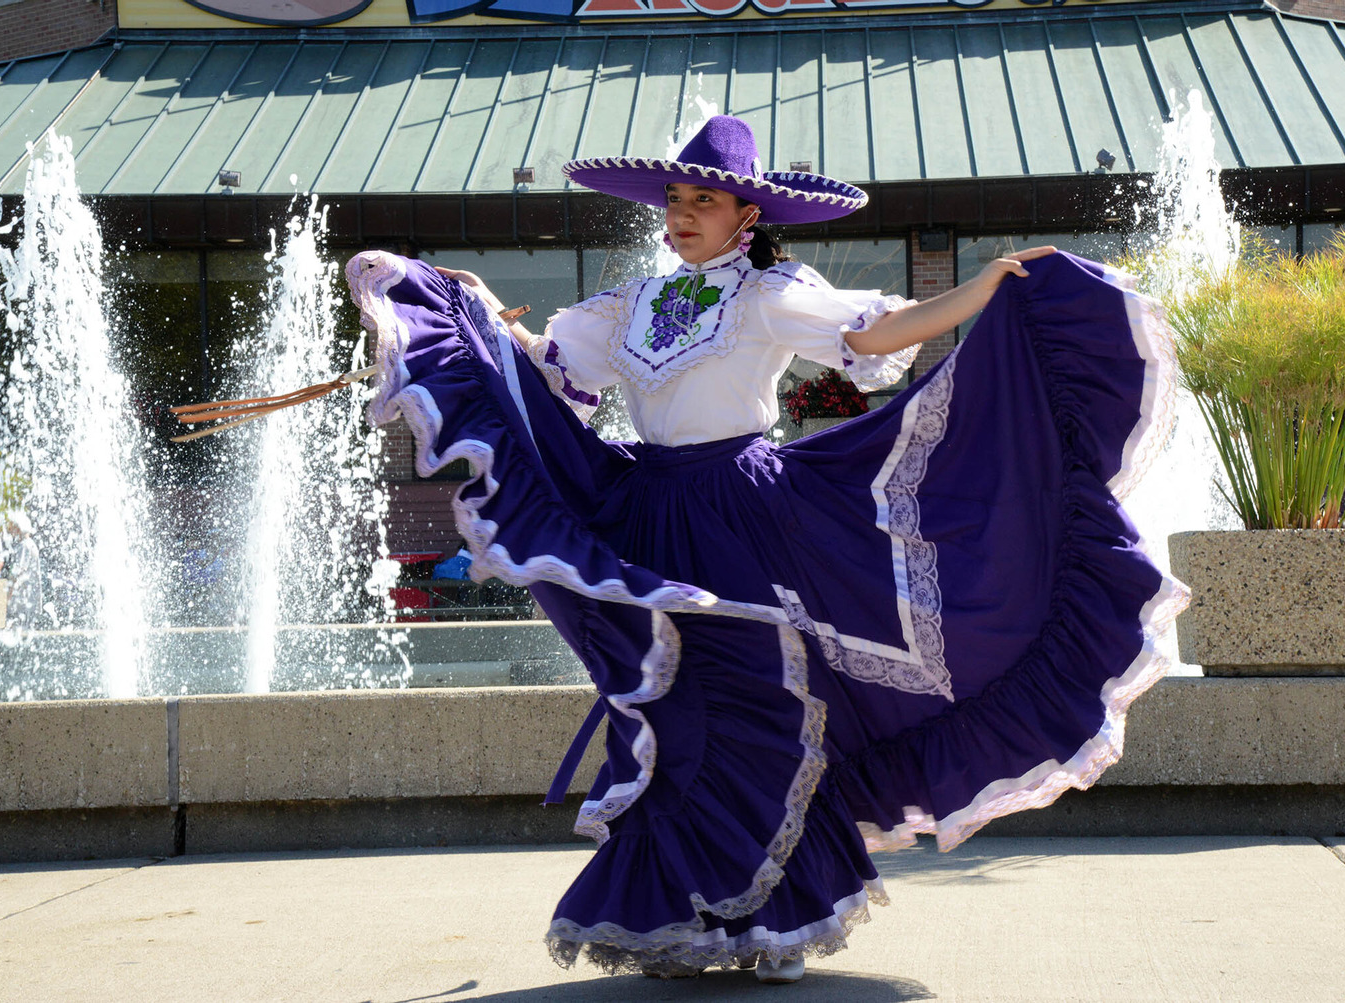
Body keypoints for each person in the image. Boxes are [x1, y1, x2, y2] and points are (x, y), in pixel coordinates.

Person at [345, 115, 1186, 983]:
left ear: (745, 214)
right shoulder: (631, 303)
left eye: (702, 199)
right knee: (674, 712)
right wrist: (471, 314)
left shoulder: (768, 291)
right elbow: (552, 367)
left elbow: (873, 334)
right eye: (674, 198)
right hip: (649, 508)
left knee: (757, 700)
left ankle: (769, 911)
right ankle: (686, 910)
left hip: (744, 517)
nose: (682, 212)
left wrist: (978, 290)